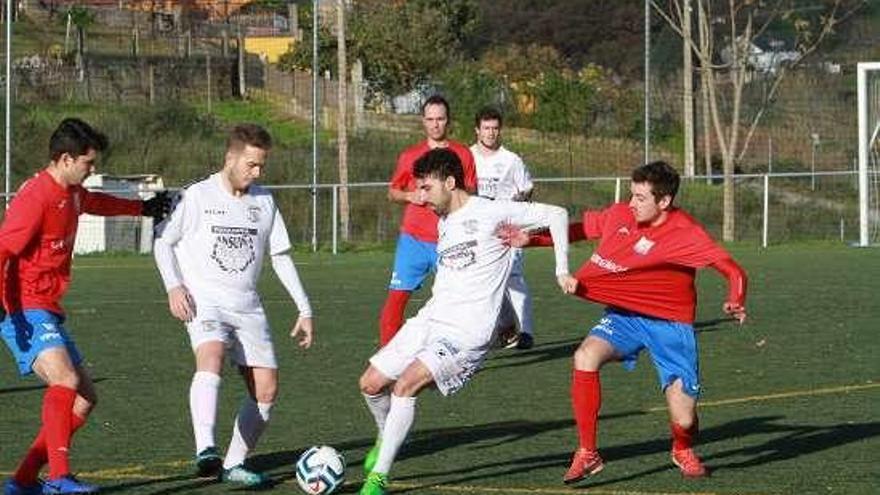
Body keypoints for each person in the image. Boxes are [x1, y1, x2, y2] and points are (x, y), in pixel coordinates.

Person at [503, 161, 747, 483]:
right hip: (625, 316)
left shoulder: (685, 232)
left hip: (670, 324)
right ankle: (588, 453)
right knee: (585, 356)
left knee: (685, 419)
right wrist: (531, 240)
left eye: (641, 198)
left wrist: (736, 298)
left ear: (664, 201)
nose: (631, 203)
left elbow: (733, 270)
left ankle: (682, 447)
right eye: (632, 194)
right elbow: (578, 230)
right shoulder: (621, 213)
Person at [357, 148, 574, 495]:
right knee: (370, 384)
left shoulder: (492, 210)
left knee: (405, 386)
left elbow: (558, 214)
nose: (420, 196)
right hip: (431, 318)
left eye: (427, 188)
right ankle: (387, 437)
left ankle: (377, 479)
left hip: (466, 333)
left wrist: (561, 269)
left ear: (451, 182)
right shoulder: (443, 221)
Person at [0, 118, 171, 495]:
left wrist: (142, 209)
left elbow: (97, 202)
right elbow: (3, 250)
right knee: (66, 381)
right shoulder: (35, 198)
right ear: (64, 159)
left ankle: (24, 480)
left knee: (84, 398)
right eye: (87, 163)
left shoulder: (74, 192)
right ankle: (59, 478)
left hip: (46, 304)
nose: (92, 170)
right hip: (22, 307)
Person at [152, 124, 314, 487]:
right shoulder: (196, 196)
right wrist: (174, 286)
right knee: (211, 354)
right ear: (231, 157)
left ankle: (234, 463)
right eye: (251, 165)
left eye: (261, 166)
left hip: (248, 306)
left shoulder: (264, 201)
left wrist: (304, 309)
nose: (257, 172)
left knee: (267, 389)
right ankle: (206, 448)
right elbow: (163, 242)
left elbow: (281, 257)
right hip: (205, 301)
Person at [378, 95, 477, 346]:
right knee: (395, 302)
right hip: (412, 239)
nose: (435, 125)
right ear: (423, 121)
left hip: (450, 241)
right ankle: (386, 361)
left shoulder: (463, 154)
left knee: (458, 303)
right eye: (430, 119)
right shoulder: (410, 156)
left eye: (440, 119)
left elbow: (471, 194)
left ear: (448, 121)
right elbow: (392, 192)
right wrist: (410, 195)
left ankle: (455, 355)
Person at [469, 106, 536, 350]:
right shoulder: (467, 157)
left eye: (495, 128)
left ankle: (526, 332)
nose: (491, 133)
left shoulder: (511, 160)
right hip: (477, 232)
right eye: (486, 128)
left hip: (508, 231)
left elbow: (527, 188)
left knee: (514, 279)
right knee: (482, 282)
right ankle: (501, 329)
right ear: (477, 130)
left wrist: (520, 201)